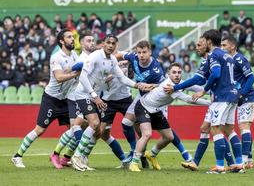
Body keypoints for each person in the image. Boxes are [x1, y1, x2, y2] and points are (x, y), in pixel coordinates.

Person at [70, 34, 149, 172]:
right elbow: (82, 76)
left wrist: (138, 85)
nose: (110, 45)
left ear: (116, 45)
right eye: (108, 42)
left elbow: (122, 79)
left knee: (96, 127)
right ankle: (77, 156)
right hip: (83, 94)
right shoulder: (94, 56)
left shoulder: (112, 60)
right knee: (94, 124)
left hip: (93, 96)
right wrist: (95, 96)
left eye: (113, 43)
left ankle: (80, 157)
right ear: (103, 44)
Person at [116, 40, 193, 169]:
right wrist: (112, 62)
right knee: (129, 125)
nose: (141, 55)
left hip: (158, 102)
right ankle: (137, 154)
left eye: (144, 52)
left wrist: (152, 86)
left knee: (166, 133)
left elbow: (163, 86)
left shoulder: (156, 68)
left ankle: (183, 155)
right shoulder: (133, 57)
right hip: (142, 98)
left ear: (150, 52)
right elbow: (119, 54)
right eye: (139, 52)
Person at [11, 29, 80, 168]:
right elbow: (59, 77)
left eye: (73, 37)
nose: (72, 39)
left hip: (66, 100)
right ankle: (17, 156)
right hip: (51, 99)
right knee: (40, 130)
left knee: (75, 128)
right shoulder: (56, 57)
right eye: (69, 37)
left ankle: (66, 158)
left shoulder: (75, 55)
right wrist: (75, 73)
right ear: (62, 41)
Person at [129, 63, 210, 172]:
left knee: (169, 137)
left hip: (156, 110)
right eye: (174, 72)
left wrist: (211, 90)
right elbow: (188, 99)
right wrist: (210, 103)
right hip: (143, 107)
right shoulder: (168, 85)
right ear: (168, 74)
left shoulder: (180, 83)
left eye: (179, 72)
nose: (177, 75)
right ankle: (134, 162)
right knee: (147, 134)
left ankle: (151, 154)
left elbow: (194, 87)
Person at [192, 29, 241, 174]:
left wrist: (204, 90)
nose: (201, 44)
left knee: (215, 129)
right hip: (232, 96)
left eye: (203, 41)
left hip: (221, 97)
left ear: (209, 41)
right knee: (229, 130)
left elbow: (215, 74)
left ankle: (220, 167)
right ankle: (238, 164)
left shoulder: (214, 54)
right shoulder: (227, 55)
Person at [49, 32, 96, 169]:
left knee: (79, 127)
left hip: (83, 96)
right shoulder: (82, 57)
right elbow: (74, 68)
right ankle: (72, 156)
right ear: (82, 44)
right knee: (78, 126)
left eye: (93, 40)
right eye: (89, 40)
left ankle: (66, 157)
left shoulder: (85, 56)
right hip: (75, 96)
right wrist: (72, 70)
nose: (92, 43)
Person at [221, 35, 254, 169]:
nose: (222, 48)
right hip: (240, 99)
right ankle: (249, 160)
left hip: (248, 97)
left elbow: (251, 78)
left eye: (224, 45)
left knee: (243, 127)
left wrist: (242, 93)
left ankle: (241, 162)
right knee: (245, 128)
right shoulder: (228, 60)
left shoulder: (239, 59)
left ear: (232, 46)